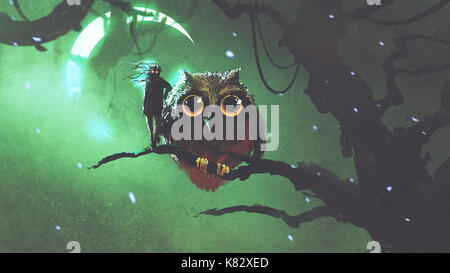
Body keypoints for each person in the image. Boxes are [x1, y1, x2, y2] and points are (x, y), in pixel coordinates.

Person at [142, 63, 172, 149]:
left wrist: (165, 95)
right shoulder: (148, 81)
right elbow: (146, 94)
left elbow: (169, 87)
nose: (154, 73)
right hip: (149, 104)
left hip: (157, 104)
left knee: (157, 121)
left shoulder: (160, 81)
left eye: (156, 71)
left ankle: (155, 138)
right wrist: (144, 106)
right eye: (153, 71)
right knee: (149, 121)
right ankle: (153, 138)